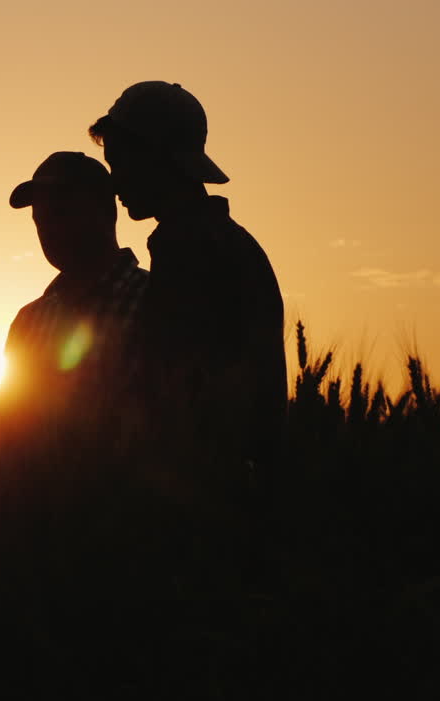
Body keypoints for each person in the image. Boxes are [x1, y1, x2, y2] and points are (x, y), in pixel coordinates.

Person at [88, 81, 286, 470]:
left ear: (155, 158)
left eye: (119, 163)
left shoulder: (193, 250)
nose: (113, 182)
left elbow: (184, 399)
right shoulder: (219, 241)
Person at [0, 151, 149, 457]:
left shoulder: (155, 300)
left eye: (61, 212)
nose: (48, 228)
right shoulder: (29, 320)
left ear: (105, 212)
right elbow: (4, 428)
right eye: (40, 219)